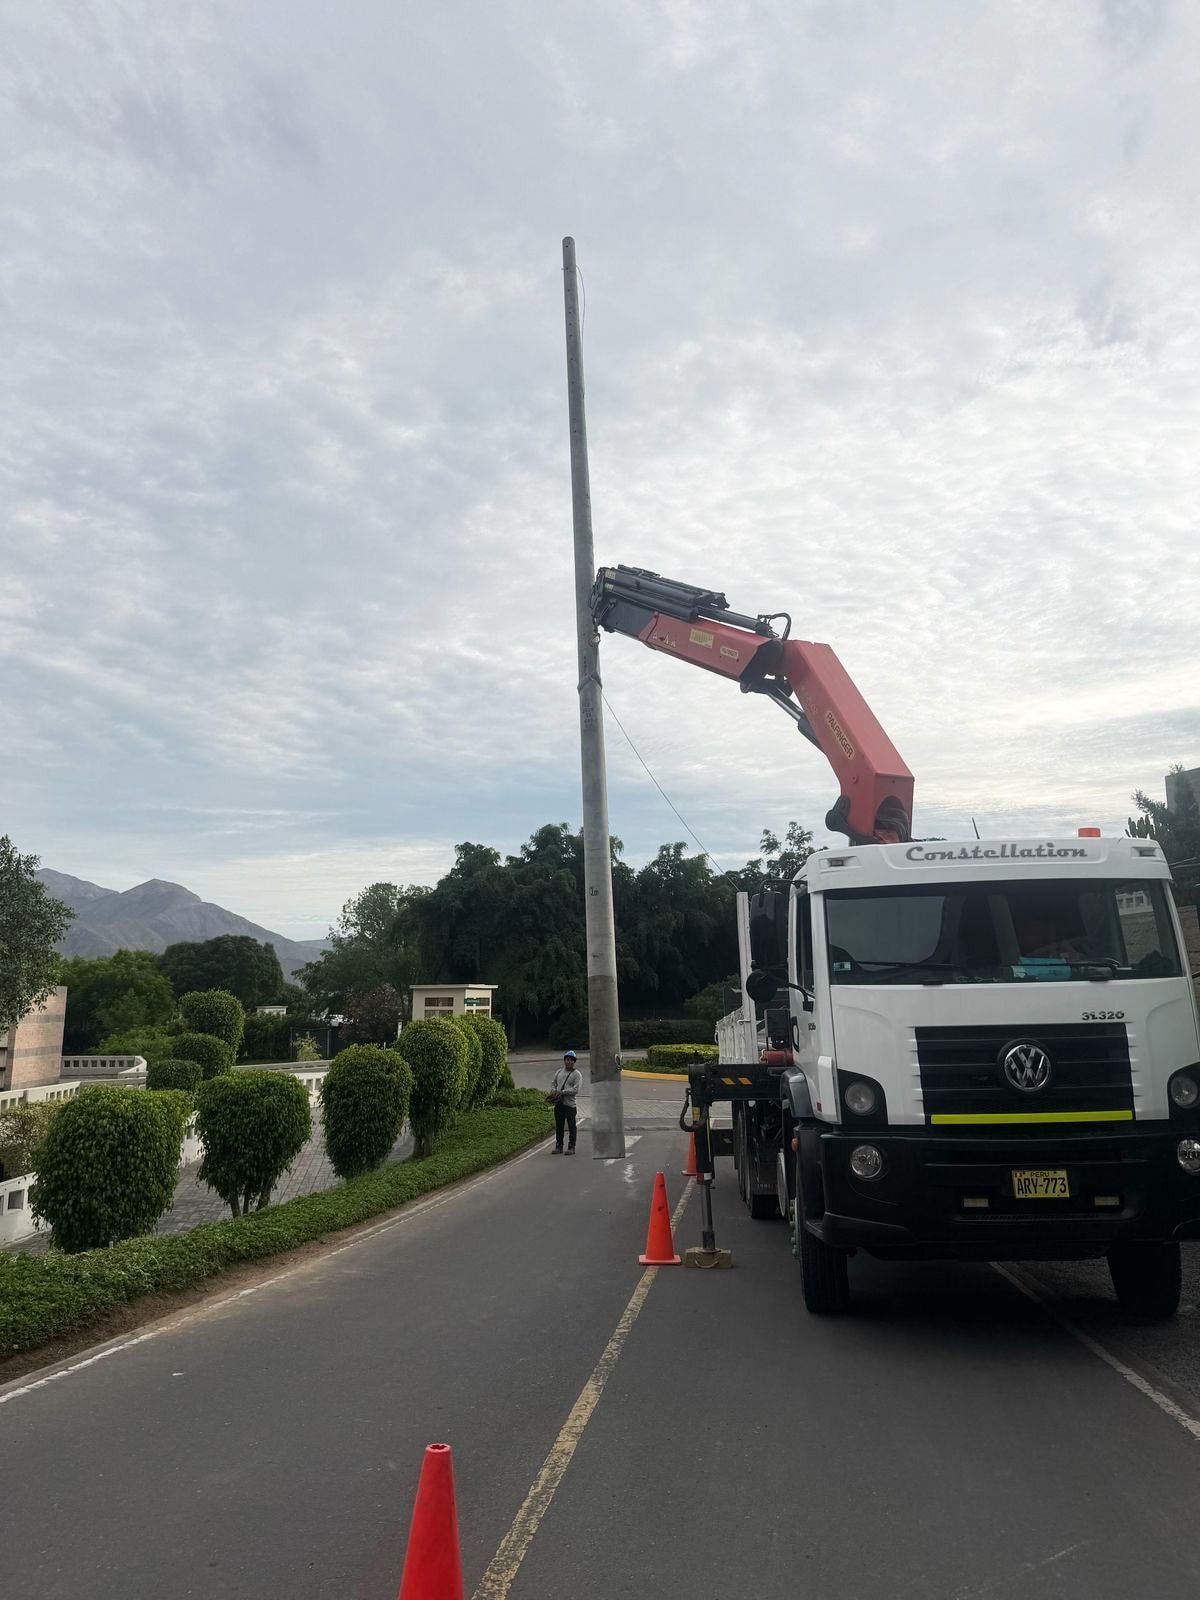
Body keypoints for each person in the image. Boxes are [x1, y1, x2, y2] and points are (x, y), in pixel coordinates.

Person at [550, 1050, 583, 1154]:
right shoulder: (559, 1072)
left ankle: (571, 1146)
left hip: (570, 1105)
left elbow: (576, 1089)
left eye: (571, 1060)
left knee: (572, 1126)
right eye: (567, 1059)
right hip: (559, 1104)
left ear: (574, 1062)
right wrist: (554, 1092)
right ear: (564, 1060)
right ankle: (559, 1146)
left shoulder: (577, 1074)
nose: (569, 1062)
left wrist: (562, 1092)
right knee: (559, 1126)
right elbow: (553, 1084)